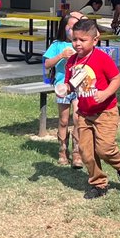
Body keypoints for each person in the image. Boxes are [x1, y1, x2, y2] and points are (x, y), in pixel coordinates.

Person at [61, 18, 120, 199]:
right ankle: (98, 183)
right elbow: (71, 83)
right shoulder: (71, 62)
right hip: (84, 113)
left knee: (105, 149)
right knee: (86, 152)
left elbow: (117, 79)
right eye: (75, 39)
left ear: (95, 40)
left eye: (82, 40)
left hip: (105, 112)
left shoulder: (101, 58)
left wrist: (105, 94)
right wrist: (65, 88)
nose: (77, 44)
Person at [43, 19, 83, 168]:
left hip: (79, 85)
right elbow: (47, 64)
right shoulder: (57, 45)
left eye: (76, 26)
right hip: (62, 86)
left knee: (78, 119)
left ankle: (77, 153)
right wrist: (61, 56)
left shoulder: (80, 44)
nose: (72, 29)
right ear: (63, 27)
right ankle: (62, 150)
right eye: (70, 26)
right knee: (64, 120)